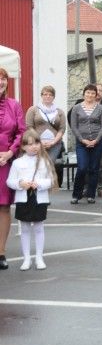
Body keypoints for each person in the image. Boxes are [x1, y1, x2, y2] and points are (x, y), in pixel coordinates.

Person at [6, 130, 56, 271]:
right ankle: (26, 258)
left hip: (39, 198)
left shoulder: (45, 161)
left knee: (39, 228)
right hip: (23, 198)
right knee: (25, 229)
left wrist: (39, 184)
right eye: (29, 144)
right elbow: (10, 181)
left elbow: (51, 181)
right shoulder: (17, 163)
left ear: (40, 144)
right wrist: (20, 183)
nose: (33, 146)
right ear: (23, 147)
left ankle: (39, 257)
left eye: (36, 143)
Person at [0, 67, 26, 270]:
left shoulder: (14, 105)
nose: (1, 82)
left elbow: (21, 131)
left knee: (3, 207)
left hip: (5, 163)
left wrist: (10, 152)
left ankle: (1, 252)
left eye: (3, 79)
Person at [69, 84, 102, 205]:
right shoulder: (76, 108)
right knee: (82, 168)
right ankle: (76, 194)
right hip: (82, 143)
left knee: (94, 168)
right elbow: (74, 126)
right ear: (83, 94)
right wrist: (82, 139)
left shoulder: (100, 108)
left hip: (97, 142)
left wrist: (96, 140)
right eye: (88, 93)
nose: (90, 95)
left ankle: (91, 195)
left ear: (96, 95)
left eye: (92, 93)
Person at [25, 85, 66, 188]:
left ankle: (45, 189)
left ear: (53, 97)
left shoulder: (59, 112)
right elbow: (29, 127)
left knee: (48, 165)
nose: (48, 96)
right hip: (37, 143)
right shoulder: (33, 109)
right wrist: (39, 141)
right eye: (45, 94)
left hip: (54, 144)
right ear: (42, 96)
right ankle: (33, 187)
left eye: (50, 95)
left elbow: (62, 129)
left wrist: (53, 142)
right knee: (36, 165)